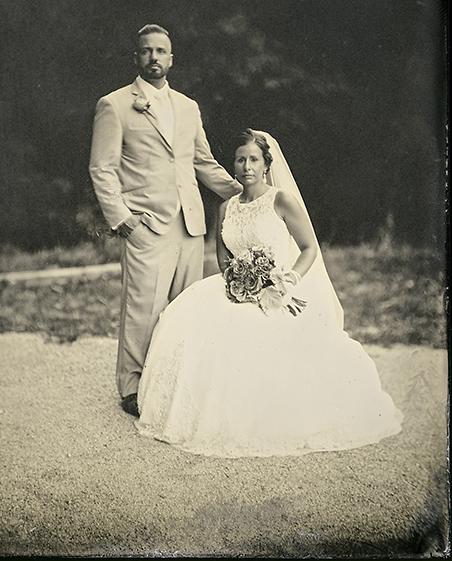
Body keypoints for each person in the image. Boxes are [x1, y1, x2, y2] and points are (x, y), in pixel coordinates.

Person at [135, 129, 403, 458]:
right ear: (232, 165)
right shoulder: (226, 207)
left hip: (277, 289)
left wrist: (285, 281)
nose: (247, 166)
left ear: (266, 164)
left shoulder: (281, 200)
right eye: (240, 159)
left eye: (254, 159)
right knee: (191, 327)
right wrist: (238, 277)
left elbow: (308, 248)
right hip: (234, 287)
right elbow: (222, 256)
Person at [89, 24, 242, 418]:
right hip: (145, 225)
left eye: (161, 51)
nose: (154, 58)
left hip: (190, 225)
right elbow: (102, 168)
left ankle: (175, 381)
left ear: (172, 59)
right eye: (146, 51)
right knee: (142, 308)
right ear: (136, 57)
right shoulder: (116, 104)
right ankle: (132, 388)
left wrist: (245, 195)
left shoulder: (188, 107)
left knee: (184, 308)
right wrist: (122, 218)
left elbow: (202, 163)